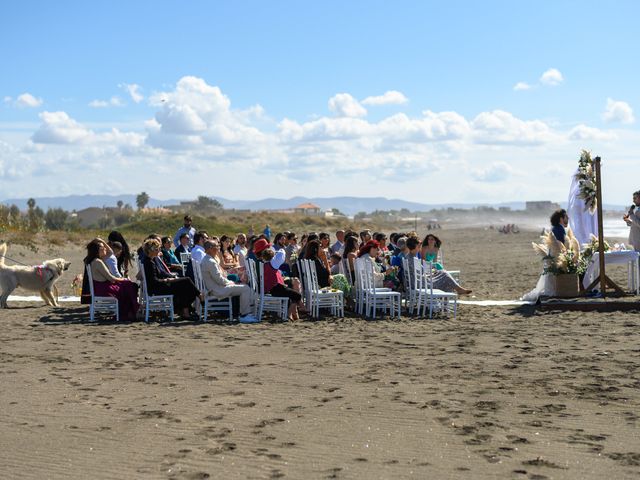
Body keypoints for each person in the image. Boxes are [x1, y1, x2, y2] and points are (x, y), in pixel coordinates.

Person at [200, 240, 258, 323]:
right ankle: (244, 315)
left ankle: (240, 313)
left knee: (242, 286)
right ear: (210, 249)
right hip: (218, 290)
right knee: (245, 288)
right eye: (216, 246)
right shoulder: (210, 261)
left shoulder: (206, 259)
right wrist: (231, 282)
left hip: (214, 288)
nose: (218, 248)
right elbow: (219, 279)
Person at [142, 238, 202, 320]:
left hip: (161, 285)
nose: (159, 250)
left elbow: (162, 273)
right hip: (156, 288)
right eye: (156, 249)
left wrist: (172, 277)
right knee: (186, 281)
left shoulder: (153, 259)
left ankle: (185, 310)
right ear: (150, 250)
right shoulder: (148, 262)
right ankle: (198, 297)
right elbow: (154, 281)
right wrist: (168, 280)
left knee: (185, 285)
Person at [85, 238, 139, 321]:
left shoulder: (96, 260)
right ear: (97, 250)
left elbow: (110, 252)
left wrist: (102, 241)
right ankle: (131, 312)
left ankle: (130, 312)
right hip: (104, 289)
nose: (105, 249)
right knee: (130, 286)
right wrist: (123, 279)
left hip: (101, 287)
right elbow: (111, 278)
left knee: (130, 285)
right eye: (102, 248)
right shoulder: (98, 262)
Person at [258, 245, 304, 321]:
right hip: (276, 289)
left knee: (292, 294)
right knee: (297, 295)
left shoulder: (264, 265)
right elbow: (281, 253)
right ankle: (295, 311)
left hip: (270, 288)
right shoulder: (273, 264)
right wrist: (277, 251)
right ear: (272, 256)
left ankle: (293, 313)